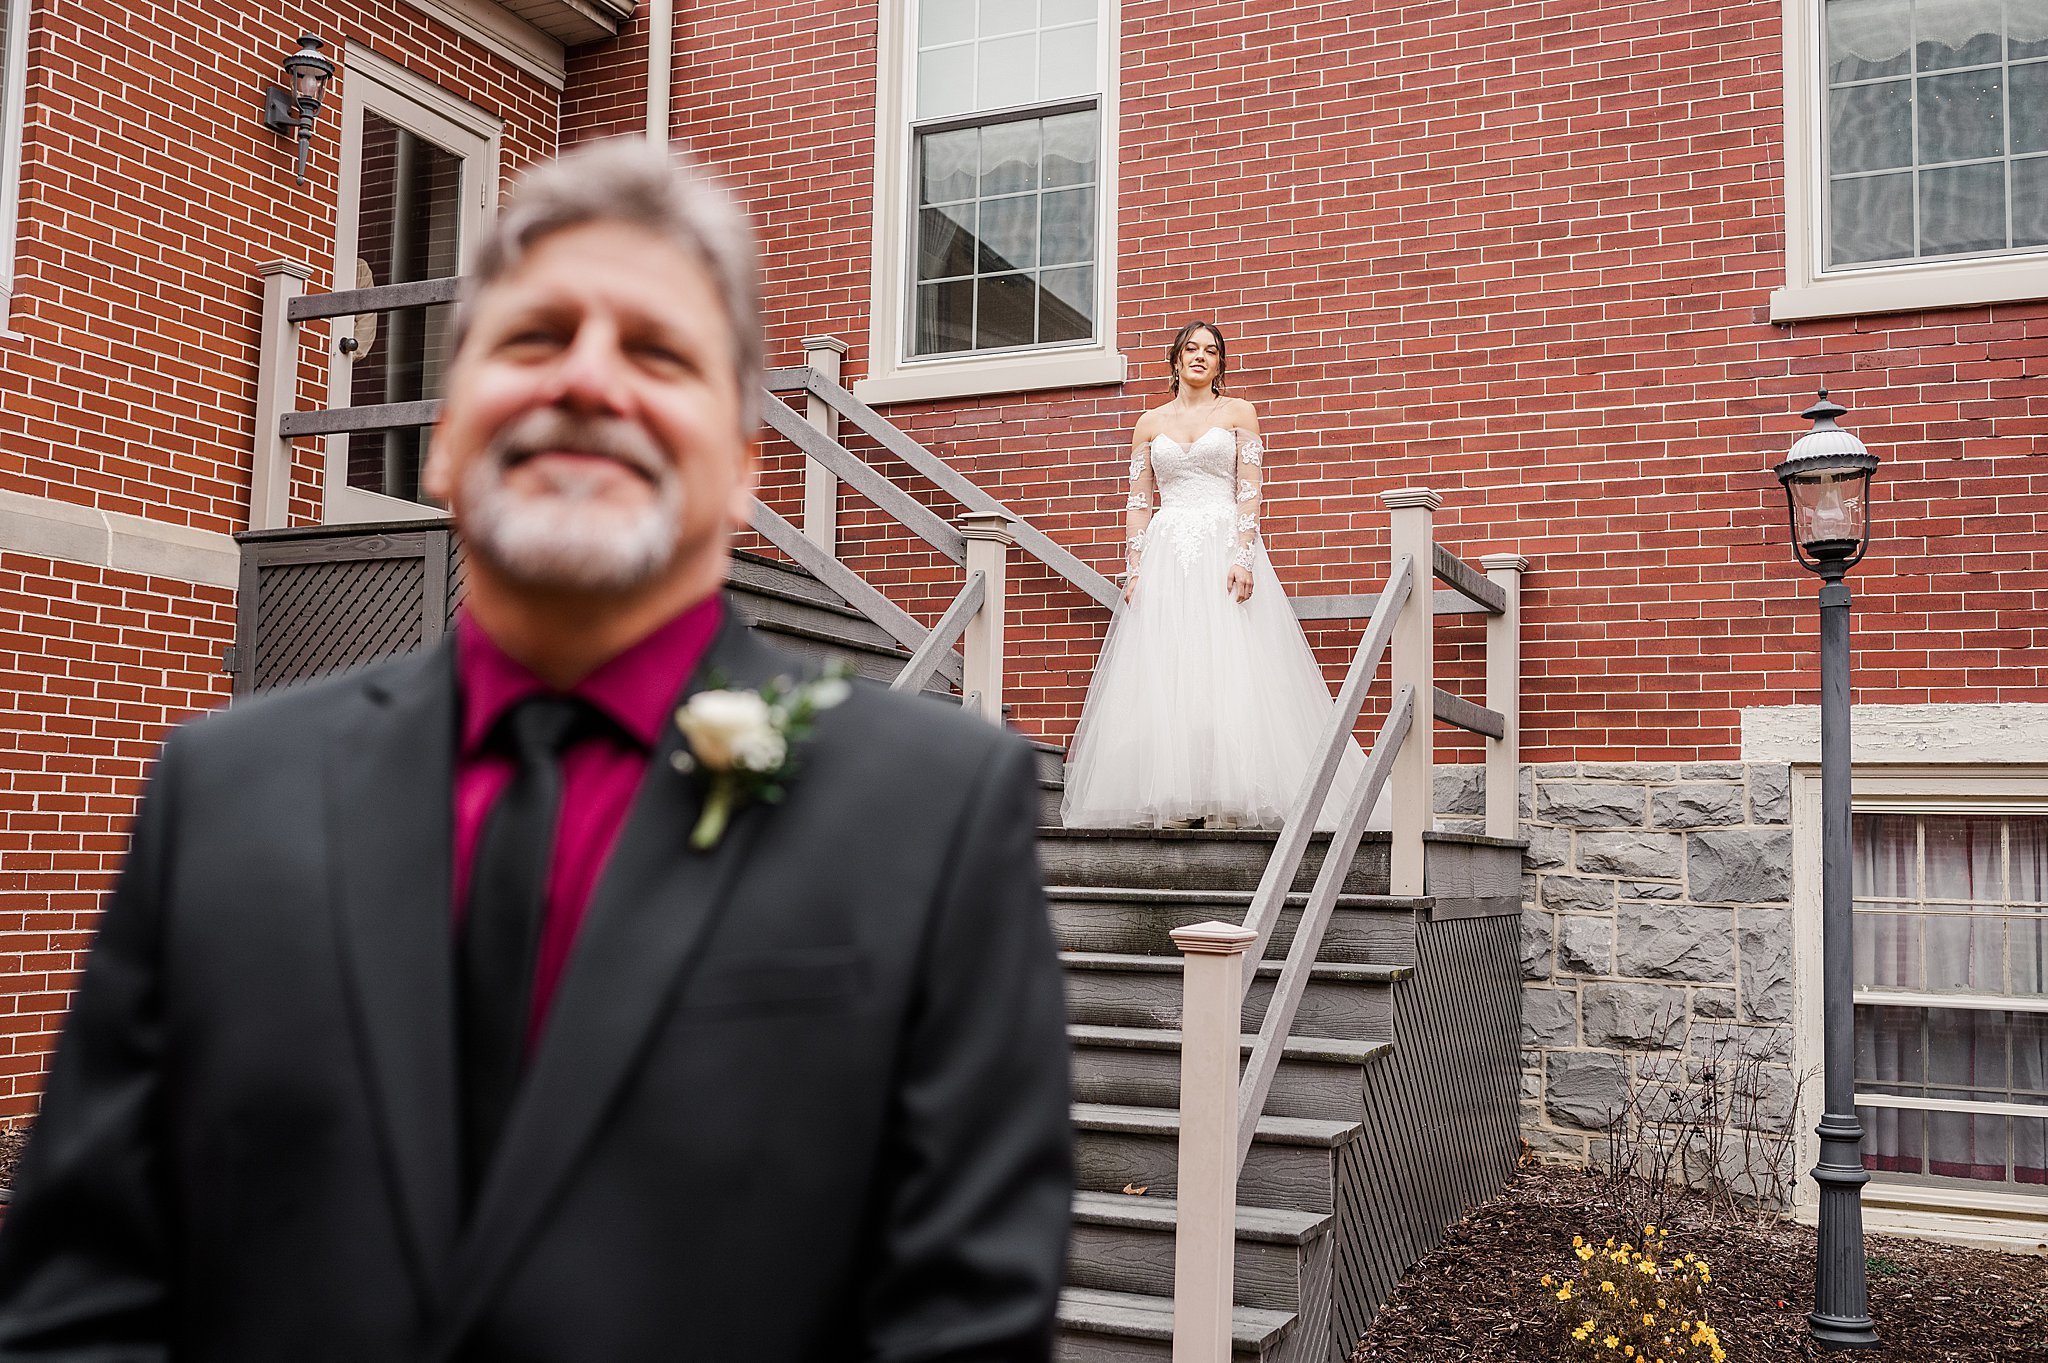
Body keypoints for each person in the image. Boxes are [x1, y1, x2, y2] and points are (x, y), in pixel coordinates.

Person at [0, 140, 1073, 1362]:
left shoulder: (934, 813)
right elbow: (81, 1298)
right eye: (533, 337)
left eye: (658, 353)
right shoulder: (219, 790)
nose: (589, 380)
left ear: (740, 470)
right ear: (448, 438)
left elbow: (962, 1327)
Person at [1061, 320, 1385, 831]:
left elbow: (1250, 491)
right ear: (1174, 359)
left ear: (1220, 364)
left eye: (1211, 351)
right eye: (1190, 348)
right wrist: (1135, 569)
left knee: (1229, 668)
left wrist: (1244, 557)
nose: (1200, 356)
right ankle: (1176, 797)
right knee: (1173, 669)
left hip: (1221, 548)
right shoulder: (1147, 423)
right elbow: (1139, 504)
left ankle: (1229, 802)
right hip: (1167, 553)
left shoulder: (1239, 413)